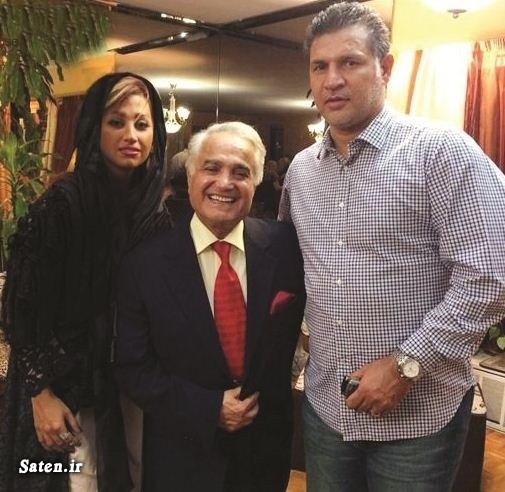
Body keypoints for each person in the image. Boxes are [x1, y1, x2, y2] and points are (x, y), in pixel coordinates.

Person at [278, 2, 505, 491]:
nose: (332, 80)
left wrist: (406, 366)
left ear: (385, 67)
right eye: (320, 66)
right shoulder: (300, 171)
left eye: (350, 62)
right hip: (326, 407)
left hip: (419, 418)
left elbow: (489, 275)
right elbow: (294, 272)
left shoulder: (441, 152)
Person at [114, 121, 306, 492]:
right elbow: (131, 366)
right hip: (181, 459)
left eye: (241, 172)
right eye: (211, 168)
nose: (225, 183)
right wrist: (207, 408)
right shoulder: (144, 264)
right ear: (190, 177)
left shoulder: (286, 248)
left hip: (262, 459)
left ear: (256, 182)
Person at [0, 72, 169, 491]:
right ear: (94, 128)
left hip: (127, 389)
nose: (131, 135)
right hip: (61, 391)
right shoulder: (60, 206)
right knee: (54, 478)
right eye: (116, 122)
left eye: (142, 124)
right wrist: (41, 395)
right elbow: (21, 308)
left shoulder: (154, 214)